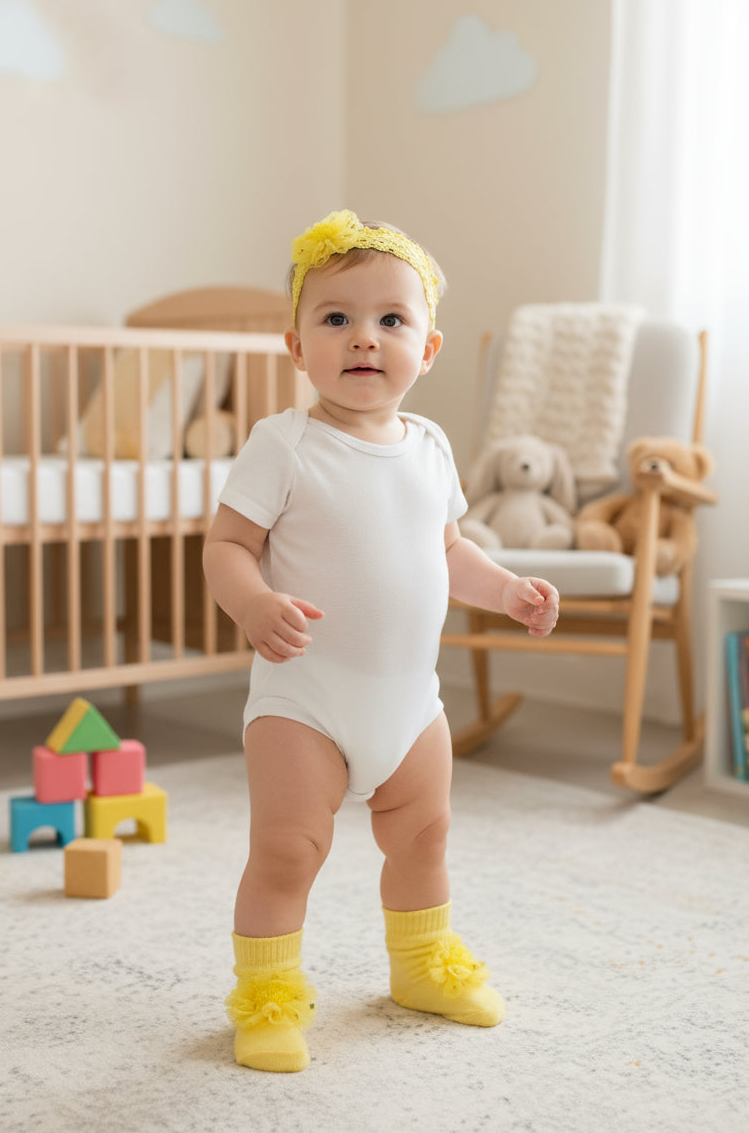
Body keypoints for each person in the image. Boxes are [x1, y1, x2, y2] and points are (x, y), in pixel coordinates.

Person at [202, 209, 560, 1073]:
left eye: (391, 320)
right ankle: (269, 996)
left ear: (426, 350)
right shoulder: (282, 445)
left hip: (410, 703)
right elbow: (225, 546)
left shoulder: (430, 447)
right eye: (337, 319)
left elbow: (447, 551)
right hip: (305, 705)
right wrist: (252, 605)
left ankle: (421, 966)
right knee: (288, 851)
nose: (365, 338)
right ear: (298, 345)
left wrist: (505, 590)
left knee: (425, 837)